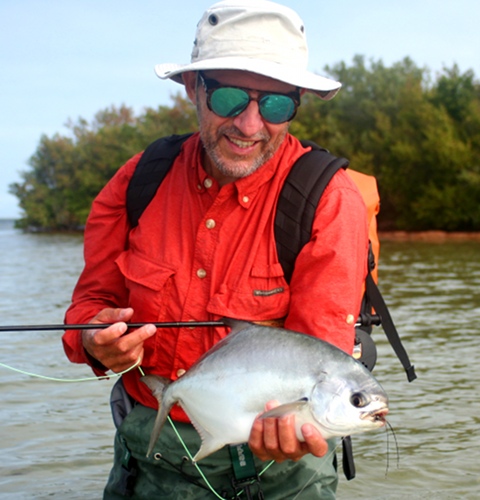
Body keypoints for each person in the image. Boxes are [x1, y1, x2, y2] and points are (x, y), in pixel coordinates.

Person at [63, 0, 369, 498]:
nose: (249, 125)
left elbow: (323, 355)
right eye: (229, 98)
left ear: (296, 103)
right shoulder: (137, 181)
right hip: (151, 455)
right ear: (193, 89)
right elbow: (87, 309)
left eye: (275, 105)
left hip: (283, 478)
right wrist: (94, 340)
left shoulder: (332, 202)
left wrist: (300, 428)